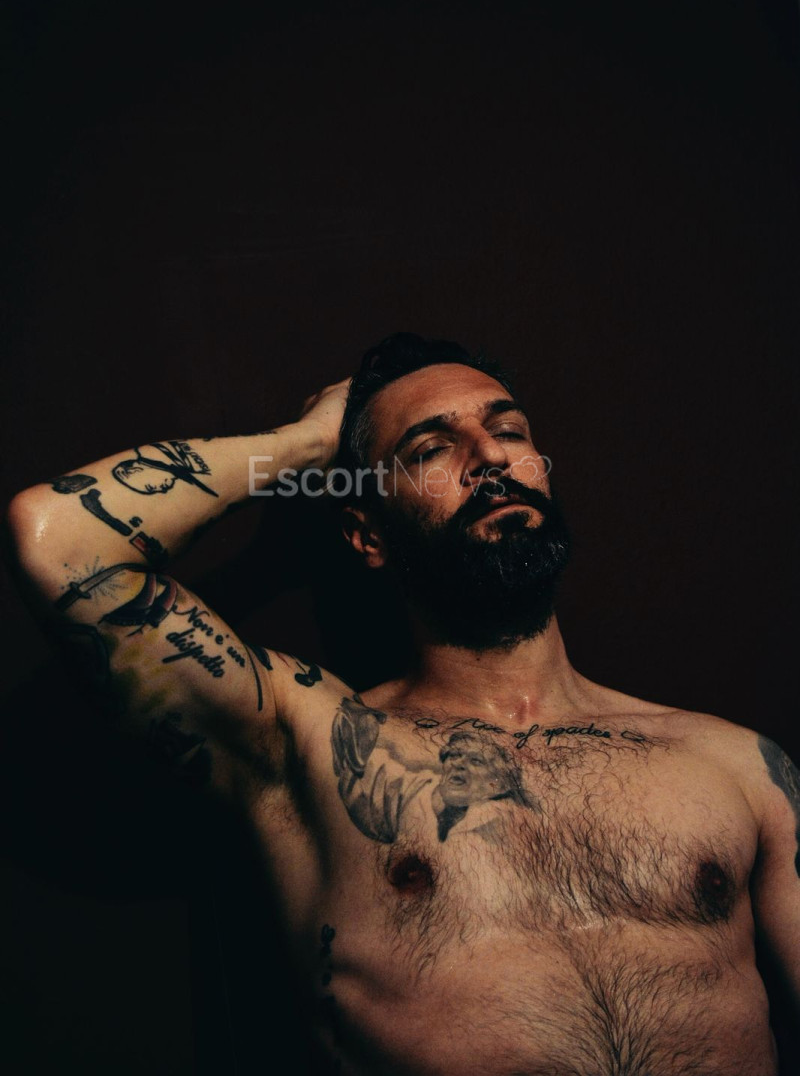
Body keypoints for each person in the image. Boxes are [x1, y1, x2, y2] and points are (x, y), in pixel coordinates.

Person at [7, 332, 799, 1075]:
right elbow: (60, 539)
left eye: (509, 431)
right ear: (368, 536)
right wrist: (308, 443)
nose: (490, 456)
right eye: (429, 449)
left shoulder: (736, 765)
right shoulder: (313, 745)